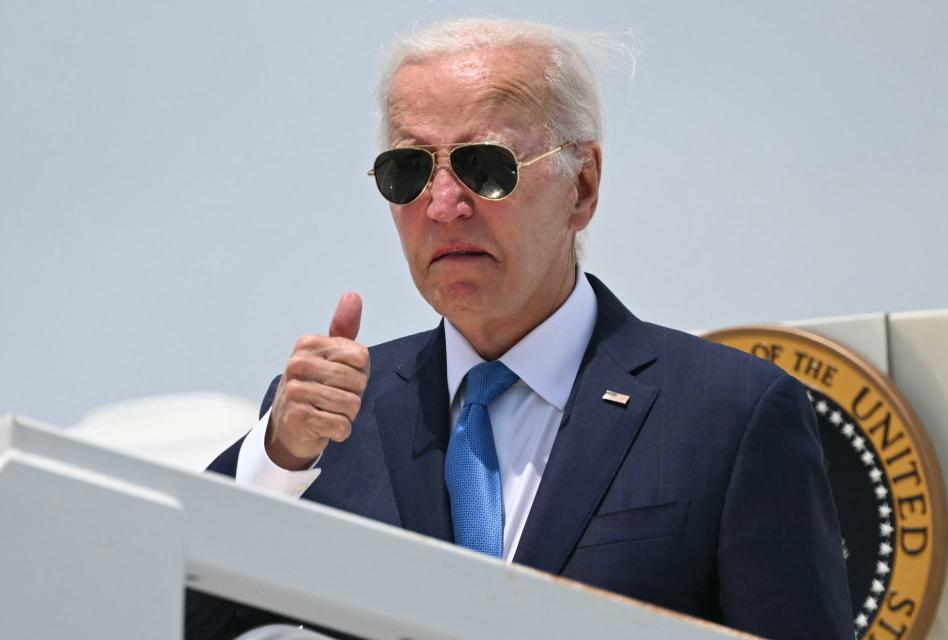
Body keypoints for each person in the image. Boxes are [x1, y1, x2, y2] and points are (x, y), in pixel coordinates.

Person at [187, 17, 854, 640]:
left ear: (582, 186)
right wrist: (276, 461)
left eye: (486, 167)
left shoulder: (728, 415)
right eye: (409, 170)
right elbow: (172, 614)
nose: (444, 206)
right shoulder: (329, 428)